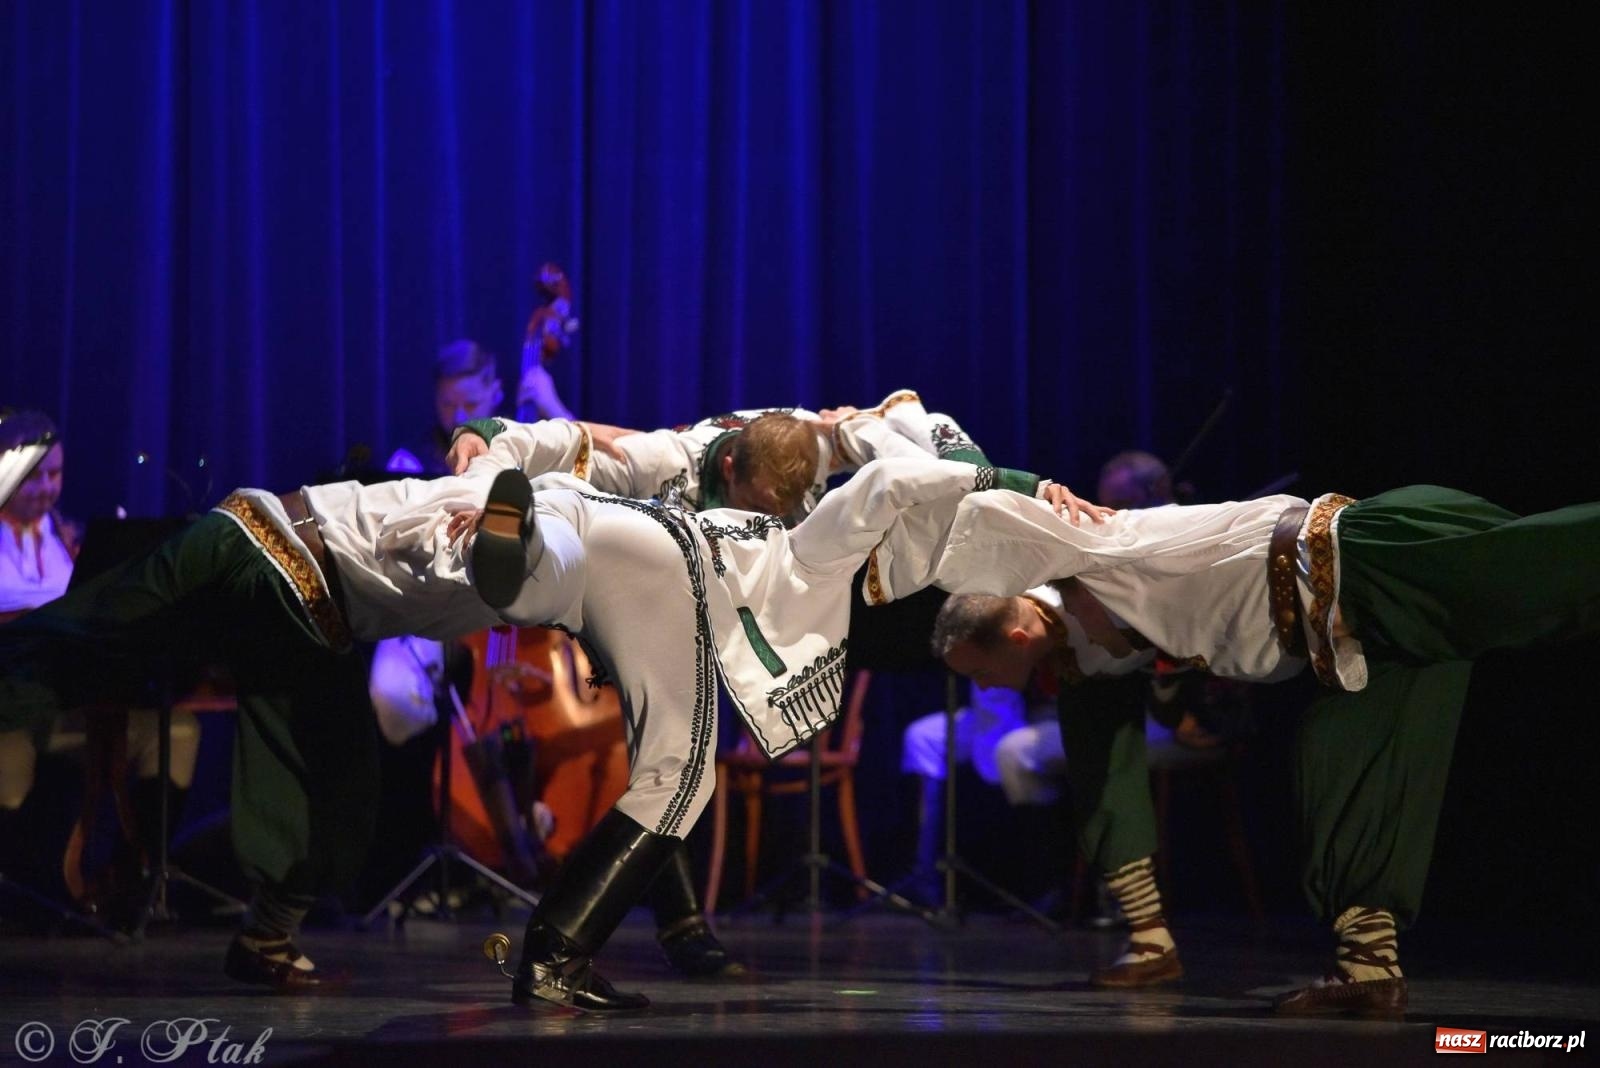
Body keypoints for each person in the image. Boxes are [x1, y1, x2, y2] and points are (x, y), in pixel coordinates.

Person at [925, 481, 1600, 1016]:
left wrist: (1031, 485)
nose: (981, 688)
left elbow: (973, 494)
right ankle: (1369, 967)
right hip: (1360, 645)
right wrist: (1149, 937)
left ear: (1012, 632)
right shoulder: (1082, 661)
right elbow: (1108, 777)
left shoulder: (1091, 550)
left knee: (1558, 566)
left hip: (1368, 562)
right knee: (1335, 757)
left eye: (975, 671)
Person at [464, 447, 1102, 1011]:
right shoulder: (813, 547)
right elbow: (882, 478)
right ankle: (553, 961)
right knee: (677, 777)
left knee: (552, 582)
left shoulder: (752, 520)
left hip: (585, 512)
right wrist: (1023, 482)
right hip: (669, 564)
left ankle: (518, 562)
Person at [0, 410, 201, 924]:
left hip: (82, 704)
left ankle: (134, 877)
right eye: (33, 474)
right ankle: (25, 893)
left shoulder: (68, 539)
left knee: (175, 730)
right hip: (15, 705)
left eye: (55, 474)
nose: (46, 487)